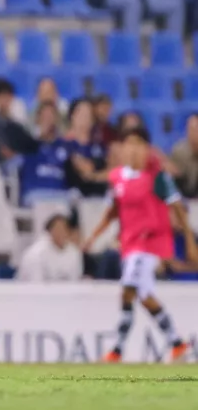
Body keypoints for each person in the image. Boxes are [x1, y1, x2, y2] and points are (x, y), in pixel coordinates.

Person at [83, 127, 197, 363]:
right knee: (144, 295)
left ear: (147, 148)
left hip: (152, 241)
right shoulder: (118, 178)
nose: (133, 149)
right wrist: (93, 236)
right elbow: (112, 212)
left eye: (139, 144)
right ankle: (177, 343)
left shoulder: (157, 176)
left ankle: (117, 350)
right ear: (122, 148)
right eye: (129, 143)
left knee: (128, 288)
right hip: (130, 243)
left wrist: (189, 241)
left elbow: (178, 208)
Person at [17, 214, 84, 282]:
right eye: (57, 228)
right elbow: (35, 285)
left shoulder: (74, 252)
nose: (61, 232)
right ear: (49, 230)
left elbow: (75, 280)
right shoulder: (36, 253)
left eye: (64, 228)